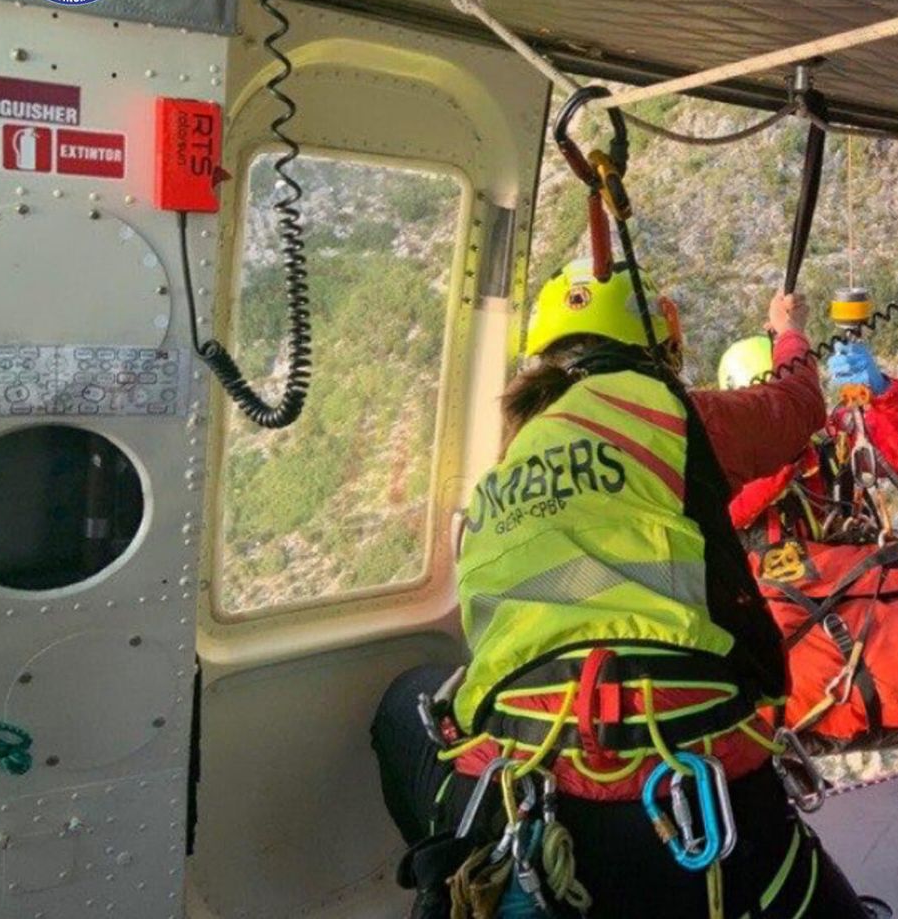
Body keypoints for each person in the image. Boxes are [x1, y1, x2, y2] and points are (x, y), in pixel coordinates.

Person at [370, 259, 867, 918]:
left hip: (524, 795)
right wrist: (789, 333)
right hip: (701, 792)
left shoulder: (504, 463)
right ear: (653, 351)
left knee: (402, 706)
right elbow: (797, 408)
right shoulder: (671, 414)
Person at [720, 335, 898, 546]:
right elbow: (725, 512)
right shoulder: (727, 472)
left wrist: (883, 394)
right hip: (789, 574)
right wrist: (788, 455)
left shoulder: (828, 441)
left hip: (858, 564)